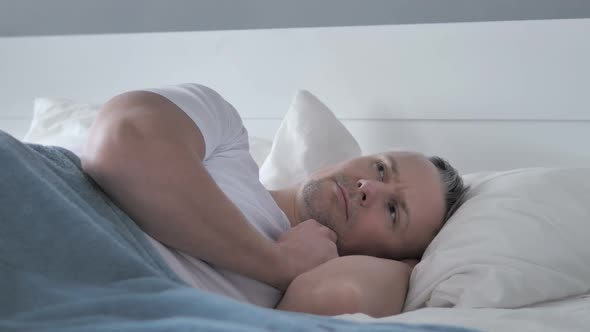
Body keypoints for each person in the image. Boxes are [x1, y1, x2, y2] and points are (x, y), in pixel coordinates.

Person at [81, 83, 468, 318]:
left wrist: (405, 269)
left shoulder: (315, 285)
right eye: (382, 169)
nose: (370, 186)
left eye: (393, 211)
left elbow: (345, 294)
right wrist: (275, 263)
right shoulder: (225, 138)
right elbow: (121, 139)